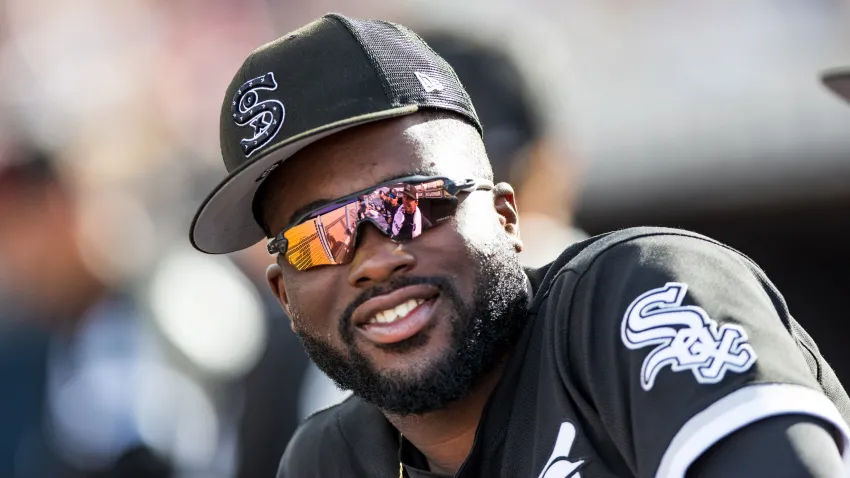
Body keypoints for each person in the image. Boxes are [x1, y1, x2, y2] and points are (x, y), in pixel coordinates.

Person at [189, 14, 850, 478]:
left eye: (411, 205)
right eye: (318, 237)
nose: (376, 257)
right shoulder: (328, 459)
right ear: (283, 291)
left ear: (506, 214)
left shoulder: (635, 297)